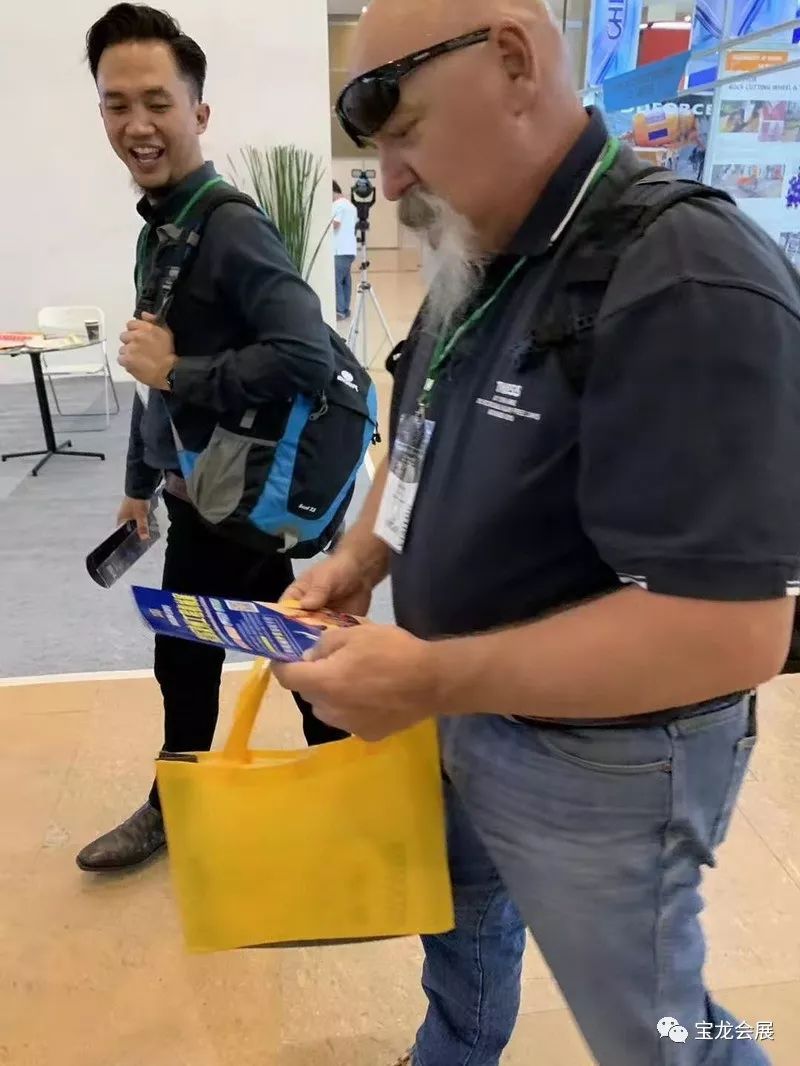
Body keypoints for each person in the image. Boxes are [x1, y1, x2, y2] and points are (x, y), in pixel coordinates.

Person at [274, 0, 800, 1063]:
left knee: (656, 1025)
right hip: (465, 707)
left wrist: (430, 678)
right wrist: (365, 550)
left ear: (513, 59)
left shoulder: (684, 277)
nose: (392, 179)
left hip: (604, 764)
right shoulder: (488, 245)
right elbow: (421, 423)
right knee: (464, 930)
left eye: (403, 130)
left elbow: (732, 633)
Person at [76, 3, 347, 873]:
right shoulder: (164, 229)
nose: (137, 124)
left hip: (240, 496)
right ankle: (346, 781)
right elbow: (153, 368)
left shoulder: (229, 227)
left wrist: (178, 374)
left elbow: (305, 355)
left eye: (157, 102)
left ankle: (200, 802)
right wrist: (140, 482)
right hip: (203, 492)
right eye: (117, 104)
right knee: (246, 645)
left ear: (198, 111)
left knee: (226, 649)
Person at [332, 180, 358, 320]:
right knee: (345, 281)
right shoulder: (350, 205)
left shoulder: (337, 205)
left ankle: (340, 311)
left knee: (336, 281)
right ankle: (345, 309)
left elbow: (335, 224)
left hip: (339, 249)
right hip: (349, 249)